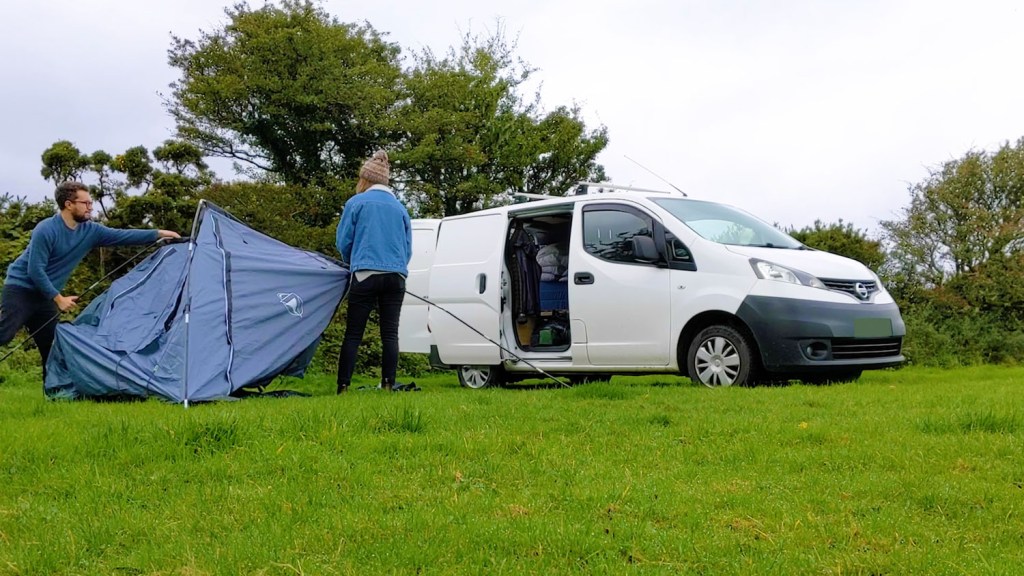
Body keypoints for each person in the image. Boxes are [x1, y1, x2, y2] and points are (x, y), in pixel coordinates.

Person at [0, 181, 180, 379]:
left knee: (52, 348)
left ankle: (54, 390)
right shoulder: (46, 229)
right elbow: (35, 270)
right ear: (69, 204)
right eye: (85, 203)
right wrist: (59, 299)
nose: (90, 207)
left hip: (46, 296)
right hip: (21, 289)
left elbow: (123, 235)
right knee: (4, 334)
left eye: (91, 203)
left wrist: (158, 234)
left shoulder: (91, 231)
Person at [335, 150, 412, 393]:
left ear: (365, 179)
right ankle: (388, 384)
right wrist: (398, 267)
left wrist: (351, 262)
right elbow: (407, 247)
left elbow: (344, 241)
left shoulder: (356, 203)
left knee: (353, 333)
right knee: (390, 333)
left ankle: (343, 386)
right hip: (396, 276)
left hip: (365, 273)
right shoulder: (400, 208)